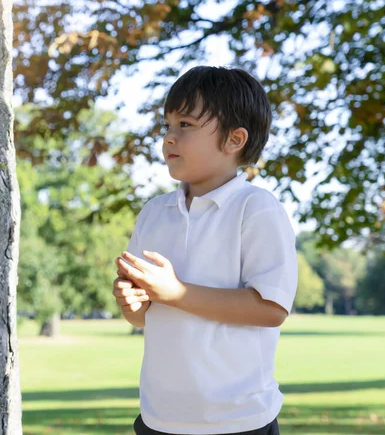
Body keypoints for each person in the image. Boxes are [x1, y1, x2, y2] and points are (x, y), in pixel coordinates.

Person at [112, 66, 298, 435]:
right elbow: (142, 318)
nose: (168, 138)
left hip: (238, 421)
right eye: (167, 125)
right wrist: (132, 306)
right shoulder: (154, 213)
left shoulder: (256, 209)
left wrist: (177, 293)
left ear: (234, 139)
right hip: (158, 418)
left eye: (185, 125)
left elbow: (271, 308)